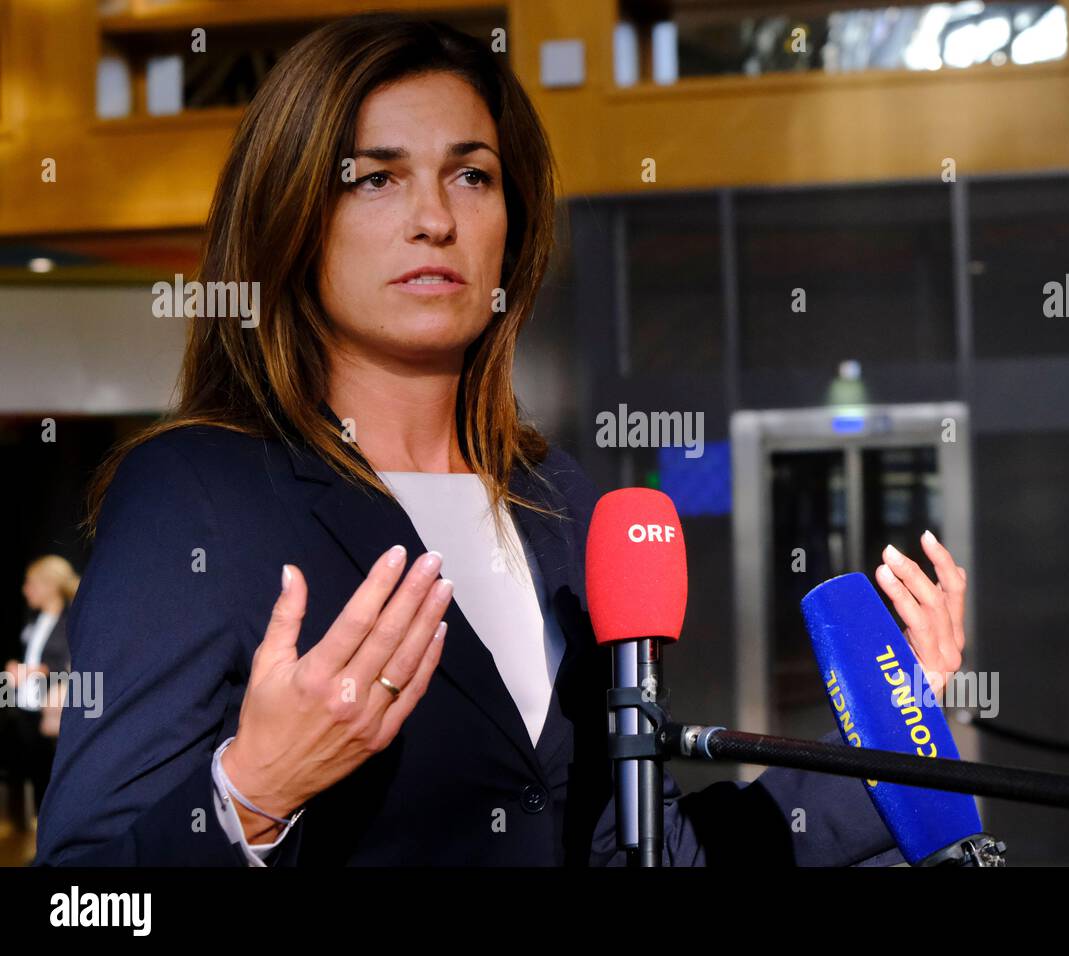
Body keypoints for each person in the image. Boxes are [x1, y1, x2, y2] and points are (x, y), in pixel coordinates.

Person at [35, 14, 966, 867]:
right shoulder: (195, 492)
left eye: (471, 174)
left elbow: (644, 850)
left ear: (511, 225)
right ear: (289, 219)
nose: (434, 218)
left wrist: (892, 738)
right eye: (375, 176)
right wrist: (250, 795)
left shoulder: (560, 504)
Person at [1, 555, 76, 835]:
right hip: (23, 706)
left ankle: (48, 834)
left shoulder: (71, 620)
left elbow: (69, 665)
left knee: (48, 776)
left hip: (51, 712)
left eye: (31, 583)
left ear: (49, 585)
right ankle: (22, 828)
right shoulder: (34, 618)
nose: (25, 589)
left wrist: (35, 671)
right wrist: (18, 669)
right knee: (20, 767)